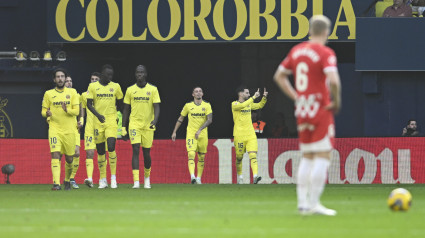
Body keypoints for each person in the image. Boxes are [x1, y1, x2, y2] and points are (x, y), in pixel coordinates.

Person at [274, 15, 341, 216]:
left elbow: (279, 76)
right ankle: (314, 203)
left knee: (307, 156)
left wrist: (296, 96)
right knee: (322, 155)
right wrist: (336, 102)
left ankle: (302, 203)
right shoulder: (325, 52)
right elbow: (334, 81)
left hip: (302, 109)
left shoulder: (297, 51)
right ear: (326, 32)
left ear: (310, 30)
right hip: (320, 108)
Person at [122, 65, 160, 189]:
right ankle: (136, 181)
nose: (139, 74)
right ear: (135, 74)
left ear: (145, 74)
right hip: (134, 124)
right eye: (137, 72)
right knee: (136, 149)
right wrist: (123, 127)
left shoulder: (153, 89)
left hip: (148, 124)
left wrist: (155, 120)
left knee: (146, 152)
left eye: (142, 72)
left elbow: (157, 106)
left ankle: (147, 178)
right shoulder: (130, 90)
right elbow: (126, 109)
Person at [41, 68, 80, 190]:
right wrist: (46, 114)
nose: (60, 79)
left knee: (69, 158)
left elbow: (77, 111)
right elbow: (43, 111)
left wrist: (66, 110)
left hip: (69, 130)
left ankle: (67, 180)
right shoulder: (48, 94)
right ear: (54, 79)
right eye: (58, 77)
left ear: (65, 78)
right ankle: (56, 184)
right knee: (55, 154)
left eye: (62, 76)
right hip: (54, 129)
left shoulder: (73, 92)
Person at [86, 65, 123, 189]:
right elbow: (89, 104)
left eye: (111, 75)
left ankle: (113, 178)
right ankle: (103, 179)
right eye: (108, 75)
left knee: (111, 147)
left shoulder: (116, 86)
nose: (110, 77)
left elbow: (121, 103)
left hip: (111, 120)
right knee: (101, 151)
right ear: (102, 74)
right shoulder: (93, 87)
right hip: (98, 121)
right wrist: (98, 115)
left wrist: (119, 118)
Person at [171, 87, 213, 184]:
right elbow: (181, 118)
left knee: (201, 157)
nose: (198, 93)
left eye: (200, 91)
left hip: (202, 135)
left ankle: (198, 178)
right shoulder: (188, 106)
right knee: (191, 154)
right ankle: (192, 176)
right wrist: (174, 131)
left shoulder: (207, 105)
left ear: (202, 94)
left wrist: (200, 130)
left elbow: (209, 120)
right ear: (193, 94)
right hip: (191, 134)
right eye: (196, 91)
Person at [231, 86, 268, 184]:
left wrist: (264, 97)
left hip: (250, 134)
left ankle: (255, 176)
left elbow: (260, 105)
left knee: (253, 155)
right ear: (240, 94)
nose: (249, 94)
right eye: (246, 93)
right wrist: (253, 97)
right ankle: (240, 177)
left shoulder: (249, 104)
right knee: (239, 157)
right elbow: (243, 106)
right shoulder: (234, 104)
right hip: (239, 135)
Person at [80, 72, 101, 187]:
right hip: (89, 128)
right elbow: (82, 109)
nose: (93, 81)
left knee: (102, 154)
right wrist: (82, 120)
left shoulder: (103, 94)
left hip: (101, 127)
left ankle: (103, 179)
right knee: (90, 152)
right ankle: (90, 179)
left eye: (96, 79)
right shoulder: (84, 95)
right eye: (92, 79)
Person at [64, 75, 84, 189]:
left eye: (70, 81)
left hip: (74, 128)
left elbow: (81, 110)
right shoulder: (60, 95)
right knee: (64, 155)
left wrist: (81, 121)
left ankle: (71, 178)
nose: (69, 83)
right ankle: (63, 179)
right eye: (67, 81)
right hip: (62, 128)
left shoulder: (77, 95)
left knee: (76, 153)